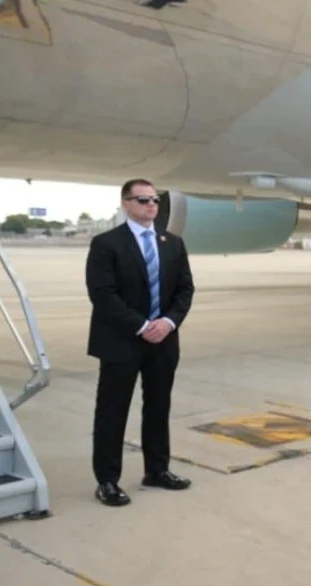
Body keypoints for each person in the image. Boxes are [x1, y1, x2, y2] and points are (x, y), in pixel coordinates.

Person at [85, 178, 194, 507]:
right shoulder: (106, 243)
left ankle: (157, 470)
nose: (151, 206)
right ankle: (107, 480)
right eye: (143, 200)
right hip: (121, 341)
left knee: (159, 408)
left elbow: (185, 290)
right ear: (126, 204)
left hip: (163, 340)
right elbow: (102, 295)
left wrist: (168, 323)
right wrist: (143, 325)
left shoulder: (172, 243)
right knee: (112, 411)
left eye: (155, 201)